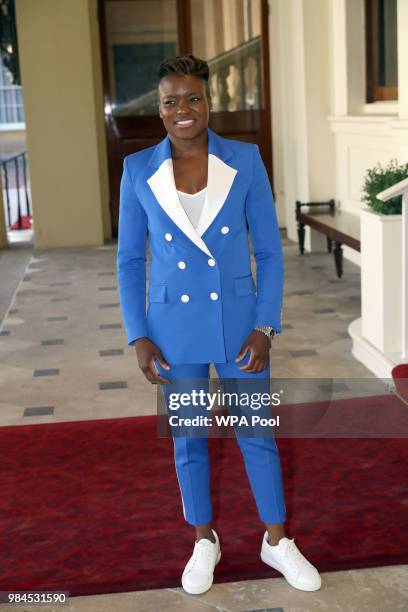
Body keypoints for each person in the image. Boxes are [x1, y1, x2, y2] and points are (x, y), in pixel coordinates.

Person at [117, 54, 321, 595]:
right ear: (158, 111)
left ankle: (276, 540)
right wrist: (138, 333)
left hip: (239, 326)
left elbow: (271, 255)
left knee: (256, 431)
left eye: (193, 98)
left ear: (209, 102)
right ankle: (204, 539)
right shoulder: (138, 170)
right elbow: (130, 261)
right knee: (188, 437)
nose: (183, 109)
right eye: (171, 101)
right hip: (170, 329)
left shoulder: (246, 160)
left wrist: (265, 326)